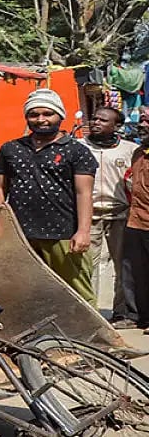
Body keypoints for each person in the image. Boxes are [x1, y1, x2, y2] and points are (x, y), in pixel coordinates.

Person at [0, 88, 97, 305]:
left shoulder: (76, 151)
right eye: (34, 114)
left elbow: (83, 192)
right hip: (21, 235)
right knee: (26, 292)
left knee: (77, 296)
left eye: (48, 114)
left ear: (60, 115)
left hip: (63, 236)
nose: (41, 120)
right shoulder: (11, 149)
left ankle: (90, 339)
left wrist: (83, 231)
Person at [83, 106, 139, 326]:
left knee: (124, 266)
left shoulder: (130, 150)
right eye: (94, 118)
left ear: (116, 126)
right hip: (89, 215)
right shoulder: (79, 148)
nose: (96, 122)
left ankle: (123, 313)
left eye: (103, 120)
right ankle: (89, 313)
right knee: (88, 267)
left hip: (121, 215)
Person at [124, 112, 149, 332]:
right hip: (136, 222)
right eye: (142, 120)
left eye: (147, 121)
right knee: (138, 274)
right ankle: (142, 317)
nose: (142, 125)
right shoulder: (138, 153)